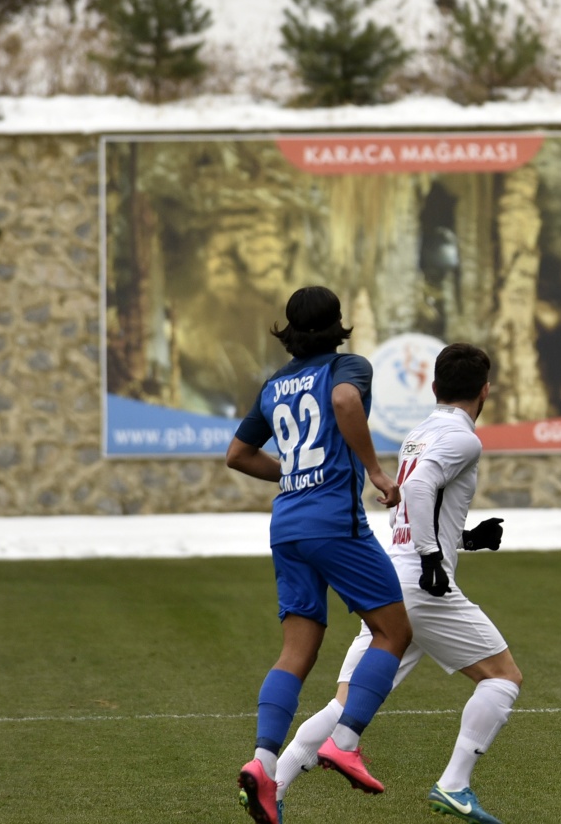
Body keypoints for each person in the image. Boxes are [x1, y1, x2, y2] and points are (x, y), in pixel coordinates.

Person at [275, 343, 520, 824]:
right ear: (485, 391)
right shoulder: (464, 439)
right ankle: (454, 785)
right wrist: (432, 557)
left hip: (393, 580)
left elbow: (408, 507)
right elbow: (421, 489)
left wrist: (465, 538)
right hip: (424, 585)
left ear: (435, 387)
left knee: (346, 701)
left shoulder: (419, 434)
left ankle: (272, 782)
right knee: (503, 677)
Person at [225, 286, 411, 824]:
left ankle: (263, 763)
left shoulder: (274, 385)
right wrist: (376, 471)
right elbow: (346, 402)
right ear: (338, 326)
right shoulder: (347, 367)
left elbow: (237, 455)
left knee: (295, 652)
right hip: (333, 522)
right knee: (393, 632)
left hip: (286, 526)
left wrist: (293, 472)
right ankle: (344, 742)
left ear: (289, 331)